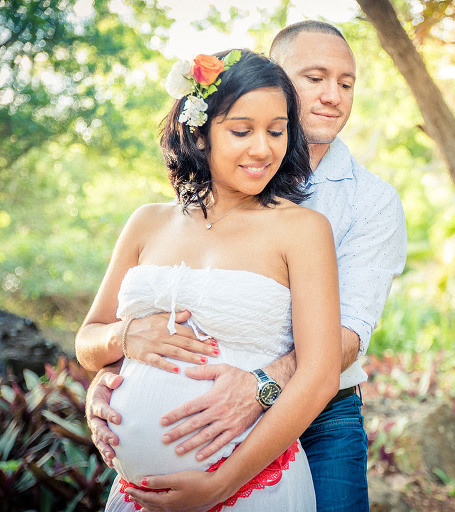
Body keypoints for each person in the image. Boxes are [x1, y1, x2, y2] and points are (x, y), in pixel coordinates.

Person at [84, 21, 408, 512]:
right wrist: (118, 359)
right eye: (316, 78)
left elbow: (343, 338)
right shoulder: (163, 215)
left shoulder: (365, 204)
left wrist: (259, 388)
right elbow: (104, 332)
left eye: (346, 83)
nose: (333, 96)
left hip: (320, 421)